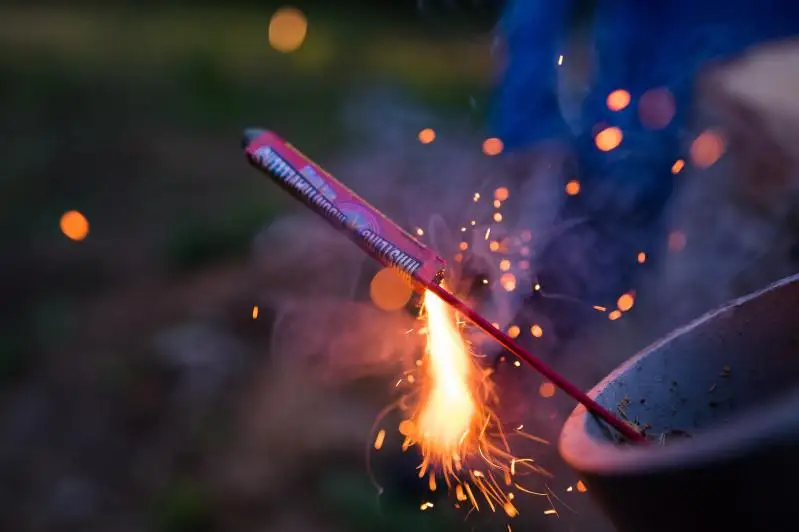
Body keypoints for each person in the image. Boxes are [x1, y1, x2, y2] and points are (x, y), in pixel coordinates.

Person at [489, 0, 799, 345]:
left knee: (743, 318)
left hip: (753, 120)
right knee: (571, 293)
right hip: (633, 135)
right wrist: (528, 115)